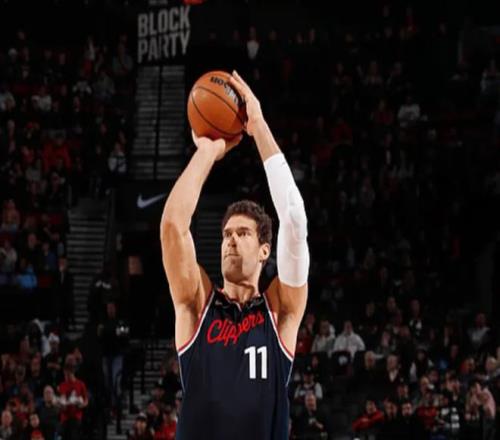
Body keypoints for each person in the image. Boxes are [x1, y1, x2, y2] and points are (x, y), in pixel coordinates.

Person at [160, 71, 309, 439]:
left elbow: (294, 219)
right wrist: (207, 152)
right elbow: (173, 226)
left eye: (243, 234)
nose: (231, 241)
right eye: (227, 234)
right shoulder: (198, 305)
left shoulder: (280, 311)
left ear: (264, 251)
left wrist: (258, 127)